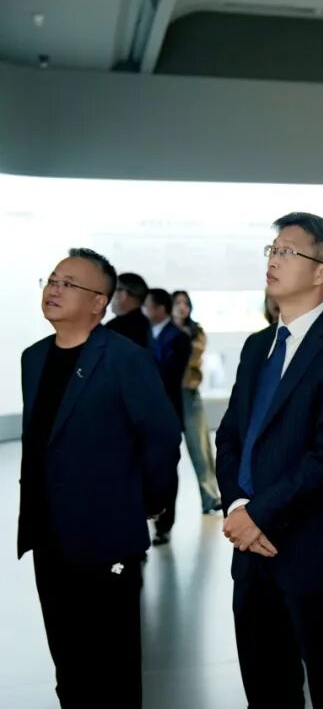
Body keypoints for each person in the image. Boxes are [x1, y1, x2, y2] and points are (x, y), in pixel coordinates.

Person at [216, 212, 323, 708]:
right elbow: (231, 437)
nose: (274, 260)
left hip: (315, 547)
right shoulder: (257, 346)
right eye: (272, 250)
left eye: (287, 251)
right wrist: (237, 507)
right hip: (250, 546)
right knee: (265, 686)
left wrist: (258, 514)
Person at [19, 248, 179, 708]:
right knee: (68, 664)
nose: (54, 289)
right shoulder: (34, 358)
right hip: (49, 537)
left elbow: (162, 437)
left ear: (98, 302)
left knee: (112, 668)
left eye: (68, 283)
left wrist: (146, 501)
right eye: (52, 280)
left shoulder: (125, 359)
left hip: (107, 538)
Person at [144, 288, 192, 546]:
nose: (144, 310)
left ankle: (164, 524)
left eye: (148, 305)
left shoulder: (179, 337)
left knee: (166, 471)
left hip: (167, 413)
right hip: (141, 416)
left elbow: (171, 376)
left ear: (160, 308)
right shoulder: (142, 333)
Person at [172, 290, 223, 515]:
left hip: (189, 394)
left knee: (201, 449)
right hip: (167, 395)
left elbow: (192, 358)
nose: (182, 307)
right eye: (177, 302)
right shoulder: (163, 332)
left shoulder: (195, 332)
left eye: (185, 303)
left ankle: (210, 498)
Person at [106, 271, 151, 347]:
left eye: (113, 290)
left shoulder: (115, 328)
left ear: (123, 295)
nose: (110, 296)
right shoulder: (150, 325)